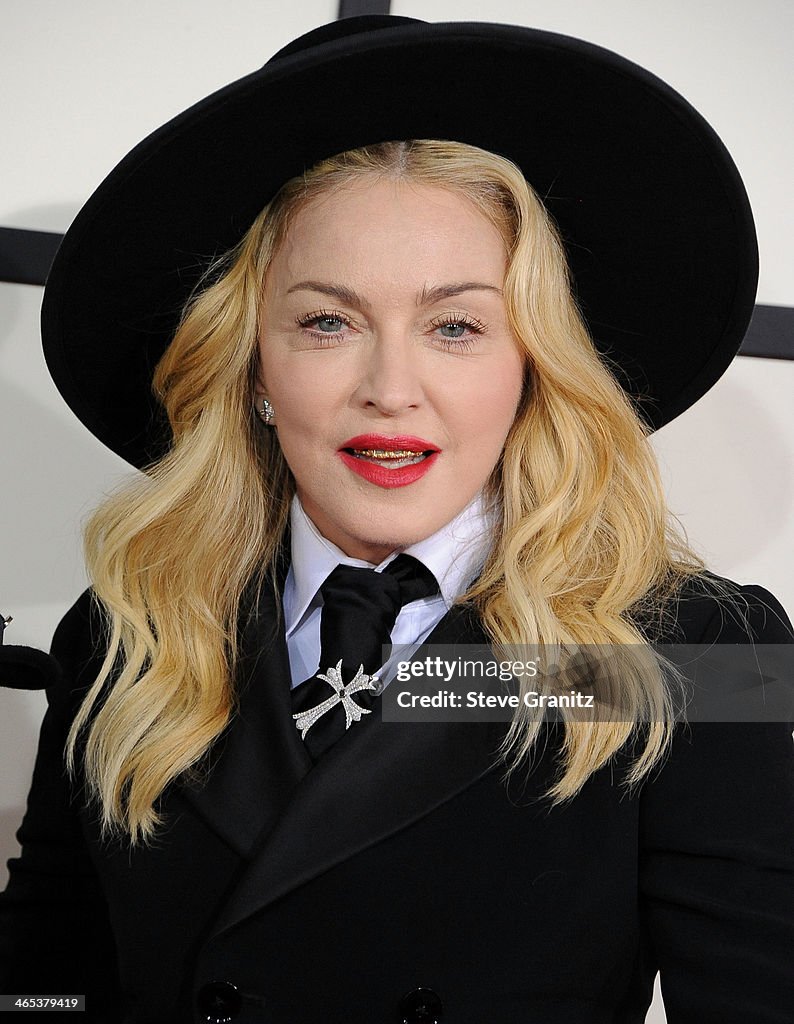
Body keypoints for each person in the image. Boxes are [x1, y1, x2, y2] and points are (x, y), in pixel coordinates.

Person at [2, 14, 793, 1024]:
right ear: (251, 369)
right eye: (326, 321)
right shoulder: (129, 632)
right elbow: (40, 983)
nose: (389, 387)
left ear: (530, 367)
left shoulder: (695, 653)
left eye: (453, 325)